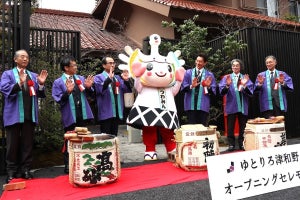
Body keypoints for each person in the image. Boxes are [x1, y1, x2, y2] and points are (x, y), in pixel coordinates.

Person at [0, 49, 48, 183]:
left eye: (27, 57)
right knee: (12, 145)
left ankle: (26, 170)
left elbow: (41, 95)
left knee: (27, 144)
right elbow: (4, 89)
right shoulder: (8, 74)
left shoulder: (32, 75)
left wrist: (42, 84)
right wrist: (20, 83)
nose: (25, 59)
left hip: (29, 114)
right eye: (22, 57)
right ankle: (11, 171)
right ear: (15, 59)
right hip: (14, 115)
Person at [52, 55, 94, 174]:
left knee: (83, 139)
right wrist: (67, 92)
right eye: (73, 65)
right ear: (66, 68)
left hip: (82, 113)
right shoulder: (58, 82)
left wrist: (89, 88)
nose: (76, 67)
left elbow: (90, 95)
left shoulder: (80, 78)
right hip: (69, 115)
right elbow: (58, 99)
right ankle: (68, 165)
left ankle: (83, 163)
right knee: (69, 140)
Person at [219, 59, 254, 151]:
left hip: (243, 105)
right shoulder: (227, 78)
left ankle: (242, 143)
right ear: (231, 67)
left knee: (243, 125)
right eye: (233, 65)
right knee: (230, 126)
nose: (235, 67)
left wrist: (245, 85)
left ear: (240, 67)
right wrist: (227, 85)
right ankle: (231, 144)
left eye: (237, 65)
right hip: (231, 105)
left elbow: (251, 92)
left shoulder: (244, 78)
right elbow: (221, 92)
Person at [94, 56, 131, 136]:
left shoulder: (117, 78)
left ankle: (114, 149)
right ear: (104, 65)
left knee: (114, 136)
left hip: (117, 111)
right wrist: (108, 79)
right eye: (110, 63)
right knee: (105, 137)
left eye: (113, 63)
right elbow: (99, 90)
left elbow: (126, 90)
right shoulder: (98, 77)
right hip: (106, 112)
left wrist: (126, 80)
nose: (113, 65)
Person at [181, 53, 217, 126]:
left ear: (205, 63)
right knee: (192, 128)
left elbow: (213, 91)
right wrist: (191, 86)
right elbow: (183, 87)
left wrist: (207, 86)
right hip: (190, 104)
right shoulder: (188, 73)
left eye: (200, 61)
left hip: (203, 105)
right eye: (197, 61)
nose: (198, 63)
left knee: (202, 127)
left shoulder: (209, 75)